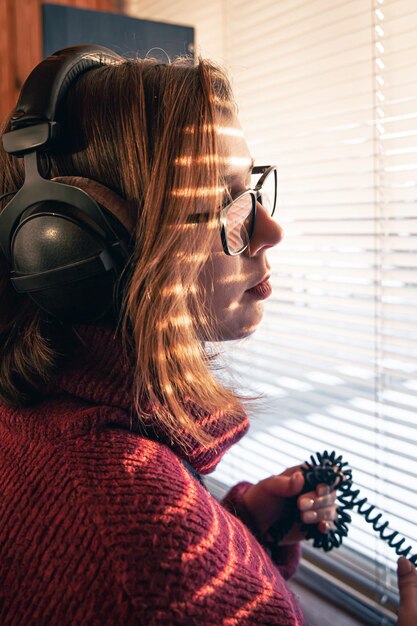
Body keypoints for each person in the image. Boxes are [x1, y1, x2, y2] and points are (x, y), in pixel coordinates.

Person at [0, 46, 415, 626]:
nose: (270, 228)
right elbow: (146, 581)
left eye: (250, 190)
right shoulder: (146, 549)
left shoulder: (40, 422)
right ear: (84, 248)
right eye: (222, 201)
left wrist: (243, 531)